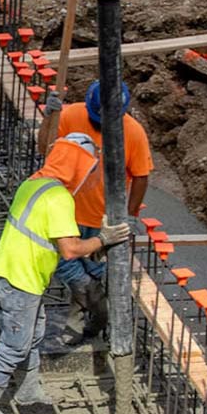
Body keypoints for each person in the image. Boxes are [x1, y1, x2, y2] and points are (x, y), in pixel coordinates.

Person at [0, 133, 131, 414]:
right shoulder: (58, 197)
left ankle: (28, 391)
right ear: (76, 165)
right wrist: (103, 239)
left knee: (34, 334)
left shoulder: (33, 183)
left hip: (16, 271)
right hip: (22, 278)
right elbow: (70, 250)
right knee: (14, 345)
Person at [33, 79, 153, 356]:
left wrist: (130, 215)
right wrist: (50, 117)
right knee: (72, 269)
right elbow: (44, 149)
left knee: (99, 272)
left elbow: (141, 176)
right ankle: (92, 314)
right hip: (66, 213)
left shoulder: (132, 133)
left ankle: (94, 321)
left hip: (103, 219)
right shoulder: (71, 115)